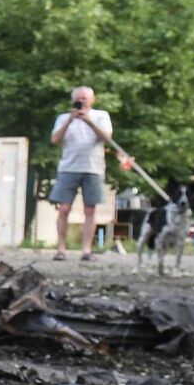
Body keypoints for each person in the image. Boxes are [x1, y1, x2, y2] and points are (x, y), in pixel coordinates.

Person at [47, 86, 130, 262]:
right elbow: (54, 140)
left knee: (90, 210)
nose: (81, 101)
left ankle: (86, 250)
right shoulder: (63, 118)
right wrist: (70, 120)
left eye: (85, 98)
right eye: (78, 98)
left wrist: (89, 121)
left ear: (92, 100)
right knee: (64, 209)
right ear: (73, 100)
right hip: (68, 168)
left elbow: (107, 139)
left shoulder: (101, 116)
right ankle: (61, 248)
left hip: (93, 168)